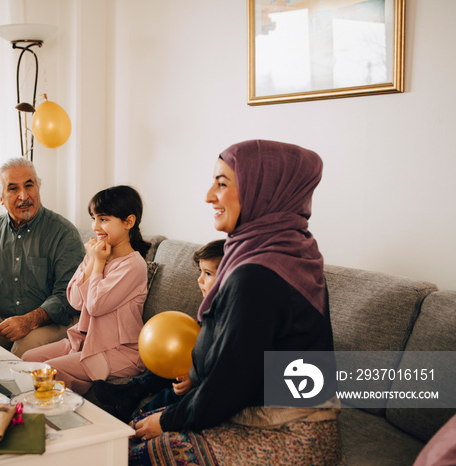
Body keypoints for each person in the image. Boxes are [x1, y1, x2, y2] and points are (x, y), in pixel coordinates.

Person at [130, 140, 343, 465]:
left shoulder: (257, 274)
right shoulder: (294, 248)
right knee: (132, 429)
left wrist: (166, 421)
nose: (209, 195)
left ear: (263, 190)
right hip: (279, 412)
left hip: (287, 431)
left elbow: (231, 386)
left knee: (131, 449)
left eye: (222, 183)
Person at [22, 185, 151, 395]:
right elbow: (75, 301)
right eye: (94, 218)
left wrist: (98, 263)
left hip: (119, 351)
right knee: (28, 359)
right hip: (86, 342)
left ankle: (65, 413)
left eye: (104, 219)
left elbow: (95, 305)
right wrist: (93, 261)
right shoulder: (96, 253)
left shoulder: (133, 266)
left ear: (129, 222)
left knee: (48, 371)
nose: (95, 226)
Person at [0, 157, 84, 357]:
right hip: (0, 317)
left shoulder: (64, 233)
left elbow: (67, 298)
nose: (24, 196)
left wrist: (27, 321)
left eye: (29, 185)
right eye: (13, 189)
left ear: (38, 187)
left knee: (22, 351)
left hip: (52, 321)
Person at [92, 239, 226, 422]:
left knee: (174, 391)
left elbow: (225, 363)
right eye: (200, 272)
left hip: (204, 379)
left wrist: (196, 378)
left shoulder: (237, 321)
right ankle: (132, 392)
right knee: (166, 363)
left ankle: (139, 418)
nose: (199, 280)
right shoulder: (212, 310)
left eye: (208, 274)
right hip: (194, 366)